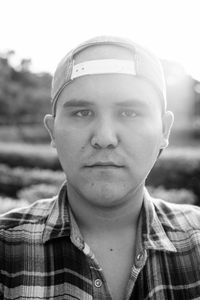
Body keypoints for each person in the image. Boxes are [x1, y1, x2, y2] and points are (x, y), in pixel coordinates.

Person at [0, 36, 200, 300]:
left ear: (164, 130)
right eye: (82, 112)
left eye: (130, 113)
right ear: (52, 131)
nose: (105, 137)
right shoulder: (6, 248)